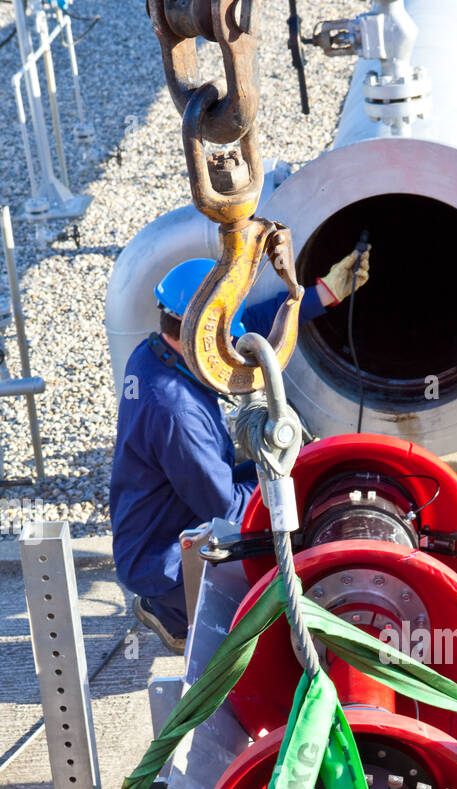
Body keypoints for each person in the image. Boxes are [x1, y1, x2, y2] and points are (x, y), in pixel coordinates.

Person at [109, 247, 371, 653]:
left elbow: (245, 335)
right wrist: (294, 486)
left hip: (158, 522)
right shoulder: (176, 411)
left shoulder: (154, 355)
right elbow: (226, 509)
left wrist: (321, 295)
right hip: (165, 563)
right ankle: (173, 614)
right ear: (205, 333)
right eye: (226, 327)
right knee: (278, 569)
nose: (234, 339)